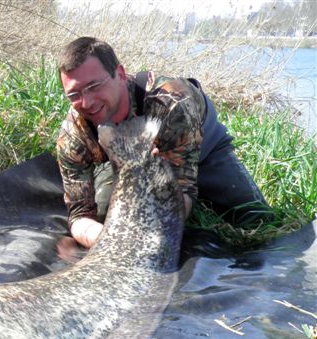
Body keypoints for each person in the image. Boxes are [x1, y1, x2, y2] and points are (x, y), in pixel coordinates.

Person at [56, 37, 274, 249]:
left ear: (119, 74)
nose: (86, 102)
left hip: (202, 153)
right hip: (125, 164)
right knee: (105, 218)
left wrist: (160, 207)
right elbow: (79, 216)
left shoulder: (174, 103)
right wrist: (106, 239)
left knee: (258, 219)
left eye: (94, 85)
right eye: (74, 94)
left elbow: (183, 192)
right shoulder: (73, 136)